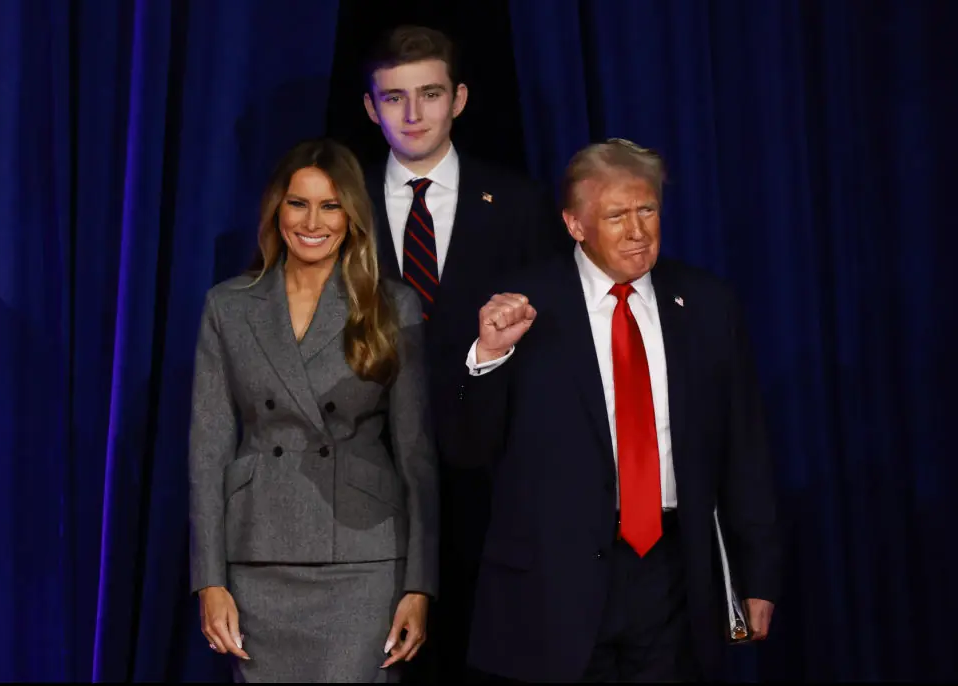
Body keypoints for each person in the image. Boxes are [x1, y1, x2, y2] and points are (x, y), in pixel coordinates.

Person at [441, 138, 784, 682]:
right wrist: (488, 358)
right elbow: (467, 448)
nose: (638, 230)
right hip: (556, 585)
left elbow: (744, 450)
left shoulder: (707, 304)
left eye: (647, 210)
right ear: (575, 224)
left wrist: (758, 574)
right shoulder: (518, 306)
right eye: (616, 215)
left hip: (674, 577)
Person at [360, 24, 570, 681]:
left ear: (460, 98)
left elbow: (549, 346)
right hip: (368, 489)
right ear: (371, 108)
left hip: (489, 483)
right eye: (394, 98)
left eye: (429, 94)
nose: (413, 114)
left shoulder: (520, 203)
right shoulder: (340, 207)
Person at [187, 138, 439, 683]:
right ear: (276, 208)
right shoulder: (228, 306)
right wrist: (209, 579)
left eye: (330, 206)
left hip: (364, 560)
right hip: (258, 556)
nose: (313, 221)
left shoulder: (391, 305)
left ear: (351, 217)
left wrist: (419, 585)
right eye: (298, 203)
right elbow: (207, 452)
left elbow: (417, 454)